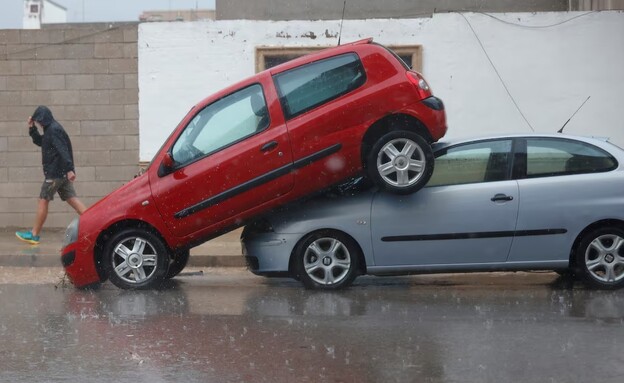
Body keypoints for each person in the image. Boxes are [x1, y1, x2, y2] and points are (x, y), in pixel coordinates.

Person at [15, 106, 87, 245]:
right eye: (38, 121)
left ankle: (34, 235)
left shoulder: (53, 130)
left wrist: (70, 169)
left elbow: (63, 150)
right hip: (60, 173)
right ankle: (96, 223)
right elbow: (41, 142)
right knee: (72, 199)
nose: (40, 123)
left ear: (45, 118)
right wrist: (32, 128)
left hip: (55, 174)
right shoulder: (51, 129)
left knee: (43, 200)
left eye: (40, 121)